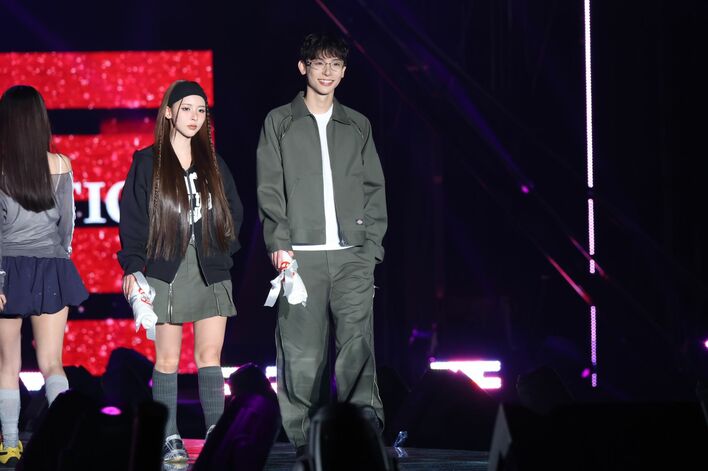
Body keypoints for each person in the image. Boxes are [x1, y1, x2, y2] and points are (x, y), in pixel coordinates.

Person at [257, 33, 388, 454]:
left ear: (344, 72)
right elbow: (269, 187)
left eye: (335, 65)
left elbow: (374, 189)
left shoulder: (357, 125)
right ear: (304, 67)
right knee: (301, 354)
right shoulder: (279, 121)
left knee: (357, 347)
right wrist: (279, 242)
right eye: (319, 63)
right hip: (301, 258)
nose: (327, 72)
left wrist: (371, 249)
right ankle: (305, 441)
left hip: (352, 256)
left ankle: (362, 435)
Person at [118, 80, 243, 464]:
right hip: (166, 269)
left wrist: (223, 250)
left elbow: (234, 211)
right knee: (168, 359)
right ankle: (169, 435)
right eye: (186, 108)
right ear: (169, 112)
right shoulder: (147, 162)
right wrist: (134, 268)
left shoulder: (213, 162)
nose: (194, 117)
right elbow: (133, 219)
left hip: (210, 268)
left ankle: (216, 433)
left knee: (210, 356)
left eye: (201, 110)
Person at [0, 85, 88, 466]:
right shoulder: (61, 164)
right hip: (51, 266)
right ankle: (64, 444)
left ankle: (10, 444)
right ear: (40, 120)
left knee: (7, 364)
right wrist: (60, 259)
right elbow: (67, 226)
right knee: (53, 363)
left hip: (7, 269)